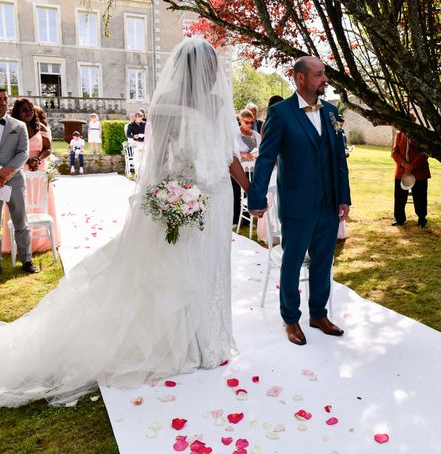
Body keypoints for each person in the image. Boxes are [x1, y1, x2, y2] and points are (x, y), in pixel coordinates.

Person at [0, 37, 250, 407]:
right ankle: (183, 344)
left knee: (211, 268)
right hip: (183, 196)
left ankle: (209, 338)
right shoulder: (166, 104)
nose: (215, 73)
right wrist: (166, 197)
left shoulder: (217, 103)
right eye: (210, 65)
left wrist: (250, 187)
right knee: (179, 270)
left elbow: (229, 153)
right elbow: (158, 160)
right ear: (195, 67)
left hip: (217, 199)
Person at [248, 56, 351, 346]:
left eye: (325, 74)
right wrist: (256, 197)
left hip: (329, 203)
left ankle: (318, 313)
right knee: (292, 262)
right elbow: (266, 159)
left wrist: (344, 196)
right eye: (319, 75)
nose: (325, 79)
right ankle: (291, 319)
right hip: (297, 203)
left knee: (323, 261)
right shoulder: (280, 114)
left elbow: (338, 159)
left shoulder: (331, 112)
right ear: (300, 78)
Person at [1, 103, 60, 255]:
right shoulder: (13, 128)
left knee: (40, 204)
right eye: (24, 110)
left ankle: (41, 242)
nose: (28, 112)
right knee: (19, 207)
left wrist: (38, 159)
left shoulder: (41, 127)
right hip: (18, 170)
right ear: (17, 112)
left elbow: (47, 148)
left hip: (39, 170)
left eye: (31, 109)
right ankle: (16, 244)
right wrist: (25, 161)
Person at [0, 89, 37, 273]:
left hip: (14, 180)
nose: (2, 102)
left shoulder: (18, 126)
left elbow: (23, 153)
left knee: (21, 222)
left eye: (5, 99)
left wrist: (5, 173)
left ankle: (27, 261)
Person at [391, 115, 430, 228]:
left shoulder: (421, 135)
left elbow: (425, 152)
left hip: (419, 171)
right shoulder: (399, 134)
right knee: (399, 196)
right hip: (401, 170)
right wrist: (404, 164)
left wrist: (412, 166)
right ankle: (399, 218)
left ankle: (422, 220)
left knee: (420, 197)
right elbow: (394, 152)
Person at [232, 109, 261, 225]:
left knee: (251, 192)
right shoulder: (235, 134)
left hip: (254, 168)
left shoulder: (257, 135)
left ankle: (248, 218)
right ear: (240, 120)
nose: (249, 125)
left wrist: (257, 154)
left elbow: (261, 148)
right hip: (239, 169)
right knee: (237, 193)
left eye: (251, 122)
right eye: (246, 122)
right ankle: (236, 219)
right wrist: (242, 154)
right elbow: (231, 152)